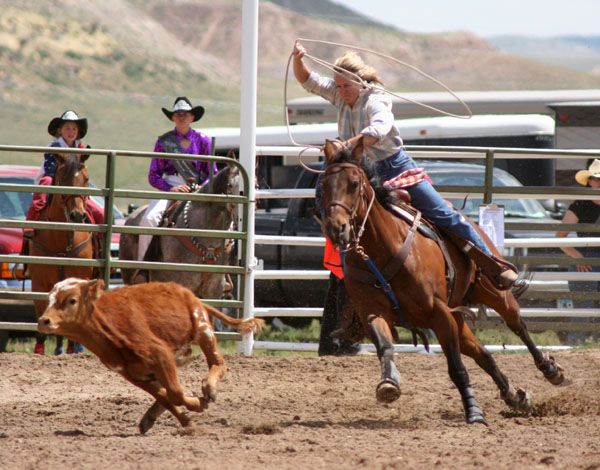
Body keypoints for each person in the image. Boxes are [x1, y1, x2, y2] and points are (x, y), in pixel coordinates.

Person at [292, 41, 519, 289]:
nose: (342, 90)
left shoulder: (376, 98)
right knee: (331, 208)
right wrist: (298, 60)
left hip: (394, 167)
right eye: (338, 85)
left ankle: (494, 265)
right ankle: (348, 280)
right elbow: (308, 80)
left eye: (346, 85)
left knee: (444, 214)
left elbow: (380, 127)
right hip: (361, 172)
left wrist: (349, 143)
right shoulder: (339, 91)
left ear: (360, 81)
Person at [137, 96, 217, 262]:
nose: (182, 117)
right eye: (178, 114)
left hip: (199, 188)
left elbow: (212, 173)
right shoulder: (163, 142)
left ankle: (220, 268)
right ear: (172, 117)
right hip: (171, 185)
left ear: (192, 117)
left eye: (186, 114)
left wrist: (201, 188)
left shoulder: (204, 141)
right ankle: (142, 266)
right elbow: (153, 175)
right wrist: (170, 188)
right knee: (149, 219)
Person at [26, 110, 104, 224]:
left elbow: (81, 170)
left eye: (74, 129)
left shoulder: (81, 148)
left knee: (100, 212)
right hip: (54, 178)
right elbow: (49, 169)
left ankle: (101, 238)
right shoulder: (54, 146)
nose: (71, 132)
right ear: (60, 130)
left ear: (78, 132)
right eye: (67, 128)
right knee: (44, 184)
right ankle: (31, 221)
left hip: (75, 183)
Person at [555, 158, 600, 343]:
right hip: (586, 258)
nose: (598, 182)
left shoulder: (579, 204)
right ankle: (577, 342)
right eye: (596, 179)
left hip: (588, 258)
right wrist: (577, 256)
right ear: (589, 180)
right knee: (583, 308)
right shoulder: (579, 205)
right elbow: (560, 236)